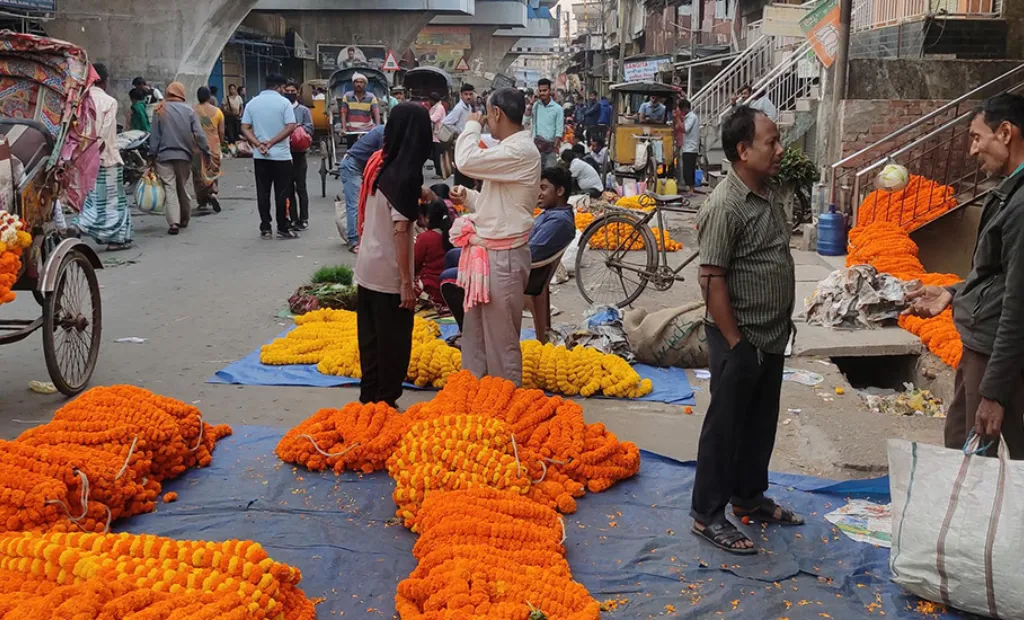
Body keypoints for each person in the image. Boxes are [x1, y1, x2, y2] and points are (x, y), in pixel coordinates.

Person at [691, 105, 800, 555]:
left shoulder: (767, 192)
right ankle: (707, 514)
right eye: (771, 142)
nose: (780, 150)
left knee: (759, 423)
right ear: (743, 150)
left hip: (771, 336)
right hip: (739, 338)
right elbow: (711, 278)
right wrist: (735, 343)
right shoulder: (726, 205)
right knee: (726, 428)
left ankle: (749, 497)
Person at [904, 93, 1024, 458]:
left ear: (1005, 133)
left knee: (976, 460)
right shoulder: (1008, 193)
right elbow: (998, 275)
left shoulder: (1020, 206)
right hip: (982, 350)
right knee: (961, 442)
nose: (972, 151)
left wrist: (994, 392)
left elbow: (1018, 304)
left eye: (976, 137)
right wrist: (954, 292)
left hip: (997, 356)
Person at [450, 88, 541, 385]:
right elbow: (495, 205)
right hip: (488, 255)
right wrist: (468, 197)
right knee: (475, 336)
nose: (487, 120)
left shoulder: (521, 151)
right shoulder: (510, 149)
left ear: (497, 113)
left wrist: (471, 126)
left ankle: (505, 399)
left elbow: (465, 161)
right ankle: (476, 394)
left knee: (501, 341)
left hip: (503, 257)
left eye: (488, 114)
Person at [354, 102, 434, 408]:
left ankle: (369, 400)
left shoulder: (381, 164)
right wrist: (405, 282)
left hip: (366, 267)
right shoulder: (406, 176)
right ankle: (385, 404)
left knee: (371, 340)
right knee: (395, 343)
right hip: (388, 272)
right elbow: (401, 232)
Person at [441, 165, 574, 340]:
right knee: (454, 255)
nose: (538, 193)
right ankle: (470, 322)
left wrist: (494, 247)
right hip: (518, 262)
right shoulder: (551, 213)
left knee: (449, 277)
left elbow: (530, 252)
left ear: (560, 191)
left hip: (519, 270)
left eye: (543, 188)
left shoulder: (558, 220)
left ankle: (472, 333)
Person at [74, 64, 133, 251]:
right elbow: (104, 134)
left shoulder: (79, 100)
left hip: (82, 159)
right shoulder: (109, 102)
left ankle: (120, 237)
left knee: (93, 198)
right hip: (106, 159)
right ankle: (82, 226)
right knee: (112, 202)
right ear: (104, 81)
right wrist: (95, 156)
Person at [241, 73, 298, 240]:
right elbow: (291, 126)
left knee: (263, 192)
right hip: (281, 156)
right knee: (282, 193)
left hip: (261, 156)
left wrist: (258, 144)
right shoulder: (284, 103)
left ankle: (265, 227)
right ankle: (282, 227)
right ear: (279, 87)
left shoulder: (252, 103)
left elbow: (244, 127)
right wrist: (272, 142)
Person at [149, 82, 210, 235]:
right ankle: (184, 218)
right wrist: (206, 150)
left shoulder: (159, 110)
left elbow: (155, 136)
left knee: (169, 188)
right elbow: (199, 134)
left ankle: (173, 223)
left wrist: (151, 155)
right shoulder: (189, 111)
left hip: (164, 156)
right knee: (181, 186)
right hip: (184, 155)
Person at [340, 123, 385, 252]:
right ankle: (354, 240)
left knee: (362, 203)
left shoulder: (384, 130)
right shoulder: (384, 133)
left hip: (359, 164)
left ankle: (361, 236)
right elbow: (381, 159)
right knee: (354, 204)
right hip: (353, 166)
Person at [284, 80, 314, 231]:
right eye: (287, 91)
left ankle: (304, 218)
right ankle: (293, 218)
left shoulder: (303, 111)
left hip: (299, 153)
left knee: (301, 187)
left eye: (292, 91)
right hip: (284, 154)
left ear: (297, 93)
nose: (290, 93)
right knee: (288, 188)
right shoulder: (282, 109)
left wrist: (297, 128)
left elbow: (310, 128)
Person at [192, 86, 224, 214]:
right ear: (209, 96)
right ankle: (213, 192)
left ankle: (202, 201)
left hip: (196, 147)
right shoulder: (218, 112)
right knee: (212, 171)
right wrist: (221, 143)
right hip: (213, 146)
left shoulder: (192, 111)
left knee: (198, 175)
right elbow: (221, 132)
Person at [415, 199, 454, 305]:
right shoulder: (455, 235)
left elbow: (414, 264)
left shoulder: (425, 238)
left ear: (428, 218)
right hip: (451, 287)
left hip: (431, 290)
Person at [443, 83, 477, 187]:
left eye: (470, 94)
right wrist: (459, 132)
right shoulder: (459, 108)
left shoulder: (469, 107)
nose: (468, 97)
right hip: (460, 142)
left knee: (466, 167)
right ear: (461, 95)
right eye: (466, 94)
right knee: (460, 169)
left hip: (467, 142)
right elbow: (446, 122)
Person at [532, 78, 564, 170]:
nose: (542, 93)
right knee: (537, 174)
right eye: (540, 91)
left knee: (550, 174)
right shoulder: (535, 106)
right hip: (536, 147)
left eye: (545, 90)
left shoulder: (558, 109)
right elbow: (525, 119)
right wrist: (531, 102)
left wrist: (555, 147)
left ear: (550, 90)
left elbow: (559, 130)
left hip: (550, 148)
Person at [341, 73, 380, 141]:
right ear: (353, 84)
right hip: (351, 130)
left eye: (361, 82)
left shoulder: (371, 97)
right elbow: (343, 113)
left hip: (367, 129)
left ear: (365, 85)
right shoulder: (347, 96)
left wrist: (378, 128)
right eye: (356, 82)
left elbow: (376, 113)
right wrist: (344, 128)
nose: (358, 84)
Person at [678, 99, 700, 193]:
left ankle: (691, 189)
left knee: (688, 169)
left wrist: (677, 119)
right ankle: (691, 188)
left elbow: (685, 129)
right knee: (688, 168)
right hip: (688, 147)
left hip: (690, 147)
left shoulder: (692, 117)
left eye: (681, 110)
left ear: (685, 108)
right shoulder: (688, 117)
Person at [428, 92, 447, 180]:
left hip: (438, 135)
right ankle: (439, 172)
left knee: (437, 156)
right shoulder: (435, 107)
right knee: (434, 154)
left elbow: (434, 118)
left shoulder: (439, 107)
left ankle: (440, 173)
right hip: (434, 135)